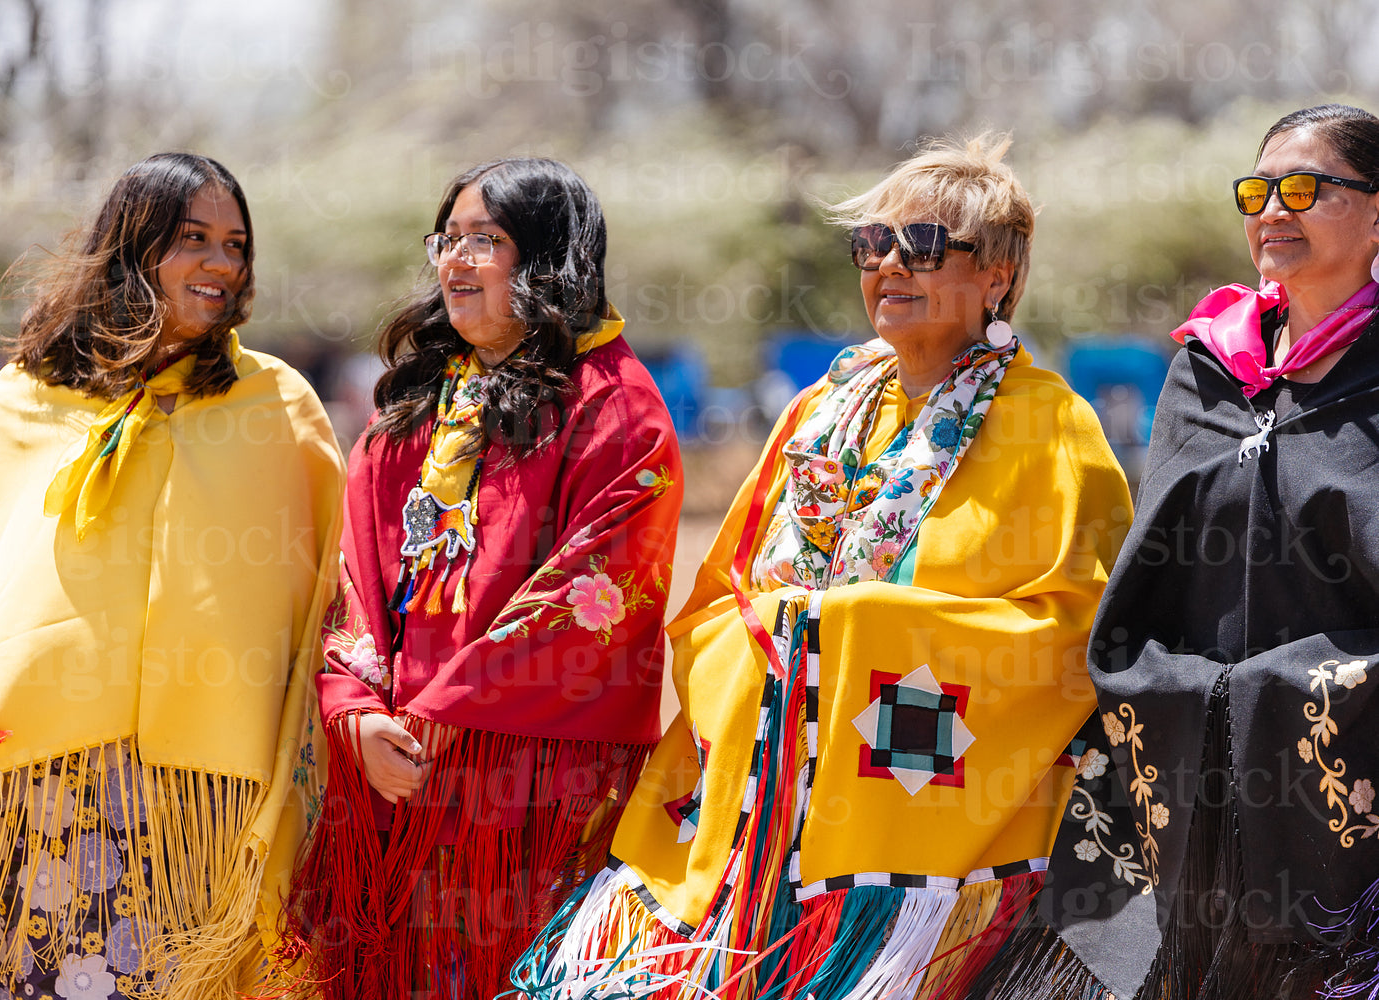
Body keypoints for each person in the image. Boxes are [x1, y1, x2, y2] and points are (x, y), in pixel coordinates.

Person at [511, 134, 1132, 1000]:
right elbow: (717, 600)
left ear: (997, 275)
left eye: (921, 246)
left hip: (926, 827)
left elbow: (1076, 639)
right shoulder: (821, 407)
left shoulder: (1052, 428)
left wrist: (851, 630)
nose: (889, 266)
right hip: (751, 806)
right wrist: (777, 645)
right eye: (872, 246)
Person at [0, 153, 345, 999]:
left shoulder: (275, 406)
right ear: (133, 245)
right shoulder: (34, 392)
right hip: (23, 784)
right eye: (193, 239)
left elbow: (321, 596)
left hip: (197, 800)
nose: (220, 264)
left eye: (236, 245)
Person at [985, 103, 1379, 1000]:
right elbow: (1148, 581)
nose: (1273, 209)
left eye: (1305, 188)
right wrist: (1189, 692)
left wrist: (1306, 689)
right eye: (1257, 191)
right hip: (1189, 756)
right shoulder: (1208, 370)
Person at [279, 157, 682, 1000]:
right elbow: (351, 570)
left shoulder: (617, 408)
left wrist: (438, 720)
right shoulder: (411, 408)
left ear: (546, 263)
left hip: (528, 787)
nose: (455, 262)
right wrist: (352, 713)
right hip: (391, 770)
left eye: (484, 242)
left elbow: (595, 598)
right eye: (448, 240)